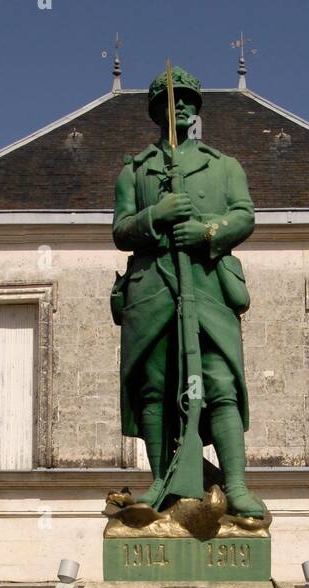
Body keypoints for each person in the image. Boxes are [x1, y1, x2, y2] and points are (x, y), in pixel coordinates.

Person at [112, 66, 265, 518]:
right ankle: (161, 481)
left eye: (187, 101)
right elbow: (121, 231)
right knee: (154, 389)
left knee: (220, 384)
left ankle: (235, 485)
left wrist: (205, 231)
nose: (179, 106)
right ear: (156, 110)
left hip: (209, 288)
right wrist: (155, 215)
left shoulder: (224, 166)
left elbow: (244, 216)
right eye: (169, 101)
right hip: (153, 289)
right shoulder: (134, 171)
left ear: (196, 109)